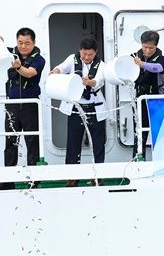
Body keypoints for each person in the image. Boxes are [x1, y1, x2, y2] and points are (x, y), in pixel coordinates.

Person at [50, 37, 107, 167]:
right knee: (73, 141)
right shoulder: (72, 59)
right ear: (80, 50)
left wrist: (90, 82)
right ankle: (71, 172)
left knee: (98, 141)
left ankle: (99, 171)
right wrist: (55, 72)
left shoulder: (101, 65)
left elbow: (99, 81)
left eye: (90, 54)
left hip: (94, 107)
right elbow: (61, 68)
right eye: (84, 54)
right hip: (76, 106)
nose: (86, 57)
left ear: (96, 52)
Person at [4, 27, 46, 169]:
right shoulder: (10, 53)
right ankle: (9, 177)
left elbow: (29, 73)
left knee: (32, 141)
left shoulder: (39, 60)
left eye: (27, 43)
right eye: (20, 42)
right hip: (12, 105)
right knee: (10, 141)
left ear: (34, 43)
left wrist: (18, 67)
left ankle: (34, 177)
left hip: (30, 105)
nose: (23, 46)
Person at [132, 30, 164, 159]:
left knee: (158, 132)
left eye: (151, 48)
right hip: (139, 99)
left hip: (156, 99)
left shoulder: (163, 60)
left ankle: (160, 160)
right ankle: (138, 160)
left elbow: (158, 68)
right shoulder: (134, 57)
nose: (147, 50)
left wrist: (142, 64)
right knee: (139, 133)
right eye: (145, 47)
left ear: (156, 46)